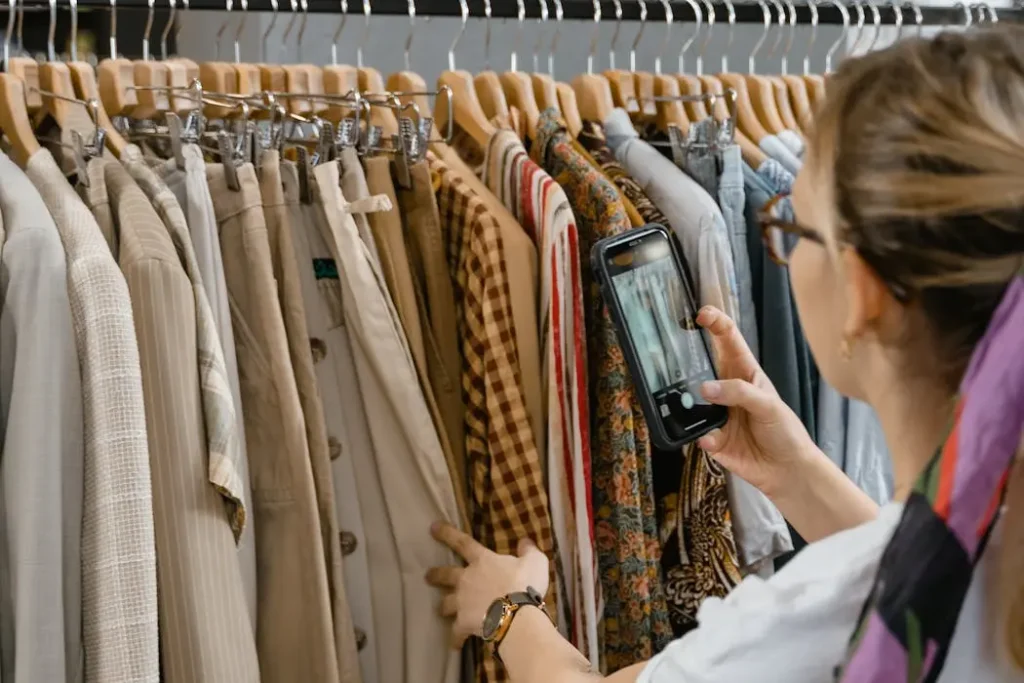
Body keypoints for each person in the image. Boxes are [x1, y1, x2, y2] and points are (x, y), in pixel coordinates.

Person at [424, 27, 1024, 683]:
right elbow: (930, 565)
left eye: (790, 228)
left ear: (861, 293)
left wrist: (510, 610)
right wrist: (796, 472)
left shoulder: (803, 623)